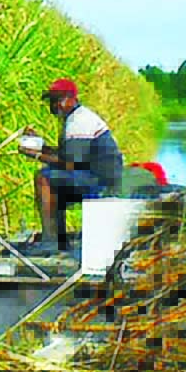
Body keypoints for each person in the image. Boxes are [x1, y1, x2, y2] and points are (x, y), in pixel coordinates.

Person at [19, 77, 125, 255]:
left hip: (102, 182)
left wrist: (36, 155)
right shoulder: (77, 118)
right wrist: (39, 144)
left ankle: (51, 241)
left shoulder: (79, 122)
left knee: (44, 177)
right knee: (54, 180)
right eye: (52, 101)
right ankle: (58, 241)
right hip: (97, 176)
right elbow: (66, 156)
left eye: (56, 100)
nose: (54, 106)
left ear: (70, 99)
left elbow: (70, 164)